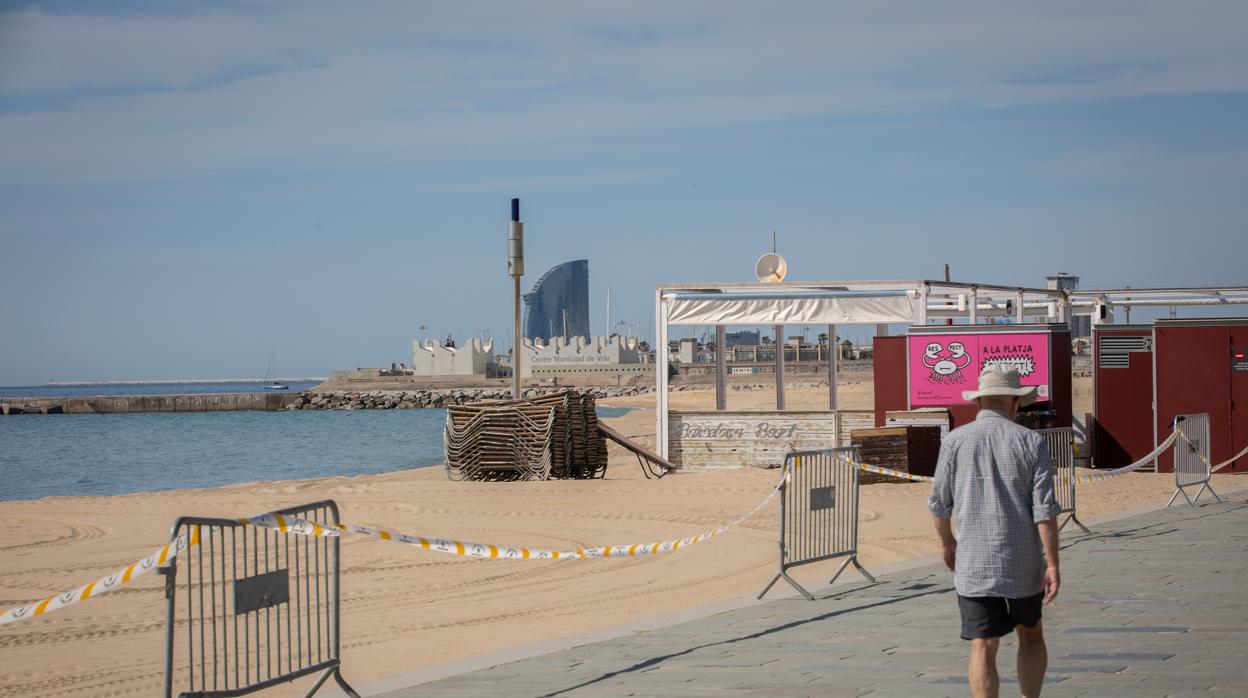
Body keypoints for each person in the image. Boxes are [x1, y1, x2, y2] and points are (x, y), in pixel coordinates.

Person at [928, 364, 1062, 698]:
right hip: (1023, 560)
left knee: (982, 644)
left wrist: (947, 544)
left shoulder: (955, 441)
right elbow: (1044, 510)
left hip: (974, 559)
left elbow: (938, 503)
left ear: (979, 402)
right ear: (1015, 402)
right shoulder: (1031, 441)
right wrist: (1052, 562)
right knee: (1030, 633)